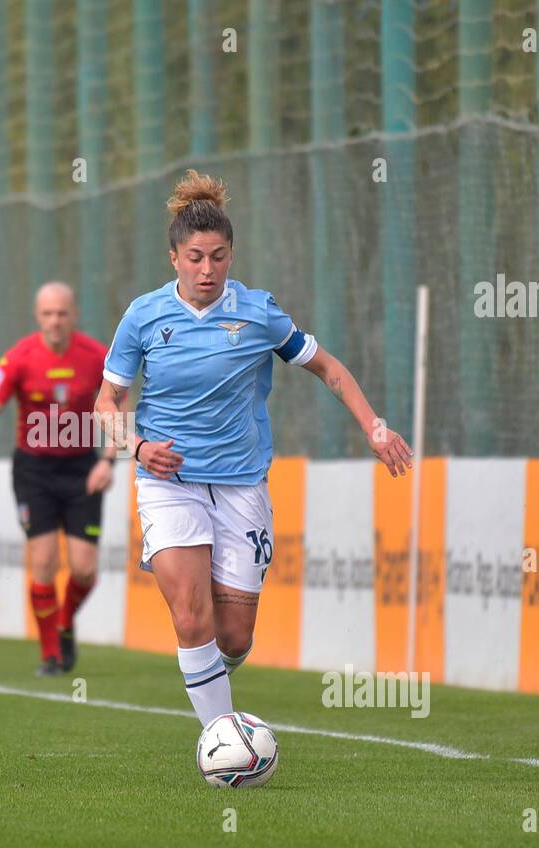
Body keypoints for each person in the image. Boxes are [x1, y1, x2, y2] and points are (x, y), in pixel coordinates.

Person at [93, 170, 412, 727]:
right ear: (173, 258)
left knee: (233, 636)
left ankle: (210, 681)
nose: (207, 269)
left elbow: (327, 367)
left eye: (218, 256)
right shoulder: (142, 316)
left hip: (242, 485)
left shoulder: (258, 312)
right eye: (195, 257)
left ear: (232, 255)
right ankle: (222, 739)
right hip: (169, 485)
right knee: (191, 618)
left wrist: (375, 427)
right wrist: (138, 447)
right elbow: (105, 405)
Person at [0, 282, 116, 675]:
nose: (55, 321)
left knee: (84, 569)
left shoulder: (97, 355)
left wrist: (110, 460)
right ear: (37, 316)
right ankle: (51, 653)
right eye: (48, 314)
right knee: (45, 562)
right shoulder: (19, 358)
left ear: (74, 314)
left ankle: (65, 622)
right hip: (34, 471)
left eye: (62, 313)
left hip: (83, 466)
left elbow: (120, 402)